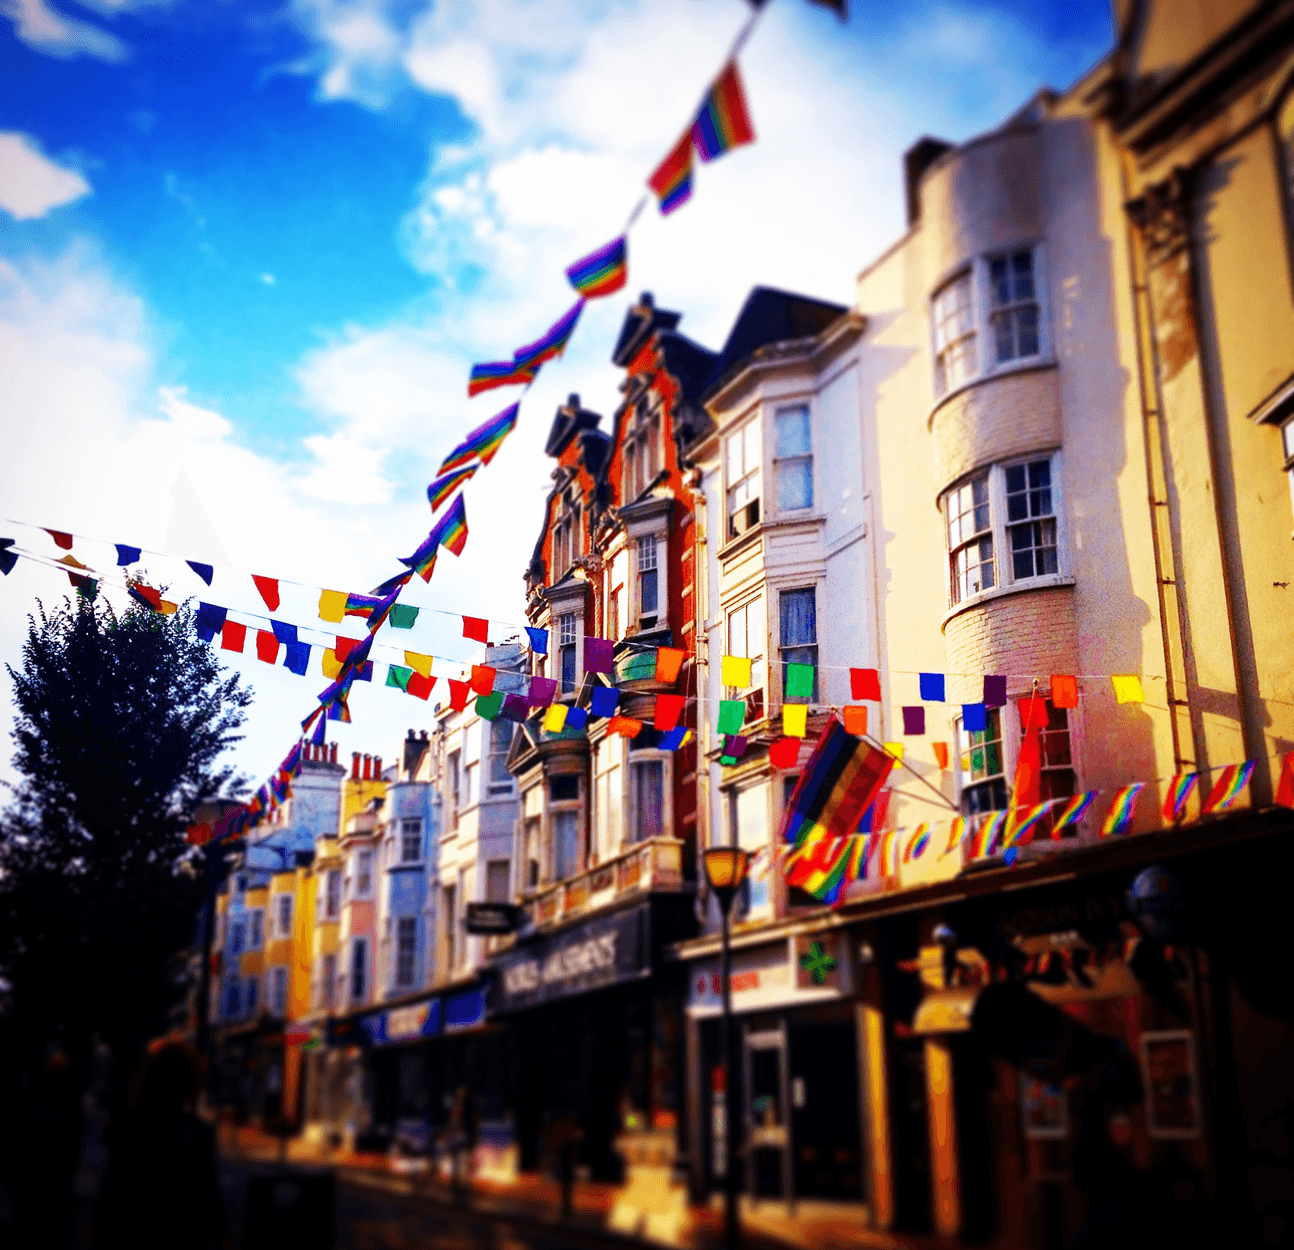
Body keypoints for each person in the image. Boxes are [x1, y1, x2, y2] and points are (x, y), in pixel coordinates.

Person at [92, 1045, 224, 1250]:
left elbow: (111, 1201)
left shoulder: (128, 1129)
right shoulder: (196, 1135)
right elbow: (208, 1204)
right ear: (191, 1085)